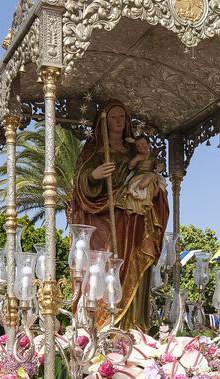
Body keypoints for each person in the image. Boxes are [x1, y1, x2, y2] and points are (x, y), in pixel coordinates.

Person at [68, 100, 168, 328]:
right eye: (113, 117)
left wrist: (152, 187)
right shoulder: (96, 152)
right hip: (107, 220)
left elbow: (151, 177)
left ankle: (134, 326)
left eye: (122, 117)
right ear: (103, 122)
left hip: (136, 219)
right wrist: (94, 175)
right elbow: (80, 188)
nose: (118, 121)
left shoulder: (136, 150)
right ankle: (104, 327)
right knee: (108, 265)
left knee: (135, 264)